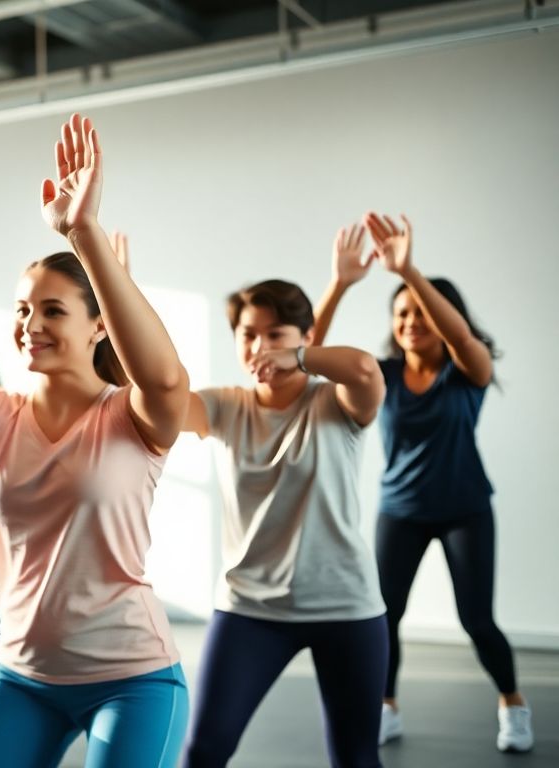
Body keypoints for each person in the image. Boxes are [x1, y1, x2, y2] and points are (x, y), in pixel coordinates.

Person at [0, 115, 189, 768]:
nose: (30, 324)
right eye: (23, 310)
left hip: (133, 678)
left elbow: (165, 373)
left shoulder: (135, 415)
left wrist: (83, 233)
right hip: (20, 676)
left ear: (98, 328)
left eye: (52, 310)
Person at [311, 213, 532, 753]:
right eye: (402, 311)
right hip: (401, 511)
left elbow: (460, 333)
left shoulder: (468, 372)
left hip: (465, 510)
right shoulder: (381, 374)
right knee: (386, 616)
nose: (411, 319)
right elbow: (307, 354)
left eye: (421, 311)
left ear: (442, 316)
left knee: (477, 620)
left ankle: (513, 704)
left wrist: (408, 271)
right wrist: (339, 283)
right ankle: (385, 706)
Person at [181, 277, 387, 768]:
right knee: (203, 751)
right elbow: (156, 395)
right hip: (251, 608)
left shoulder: (335, 403)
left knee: (356, 759)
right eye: (249, 334)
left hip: (346, 607)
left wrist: (296, 358)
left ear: (304, 338)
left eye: (276, 334)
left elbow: (363, 368)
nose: (260, 347)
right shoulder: (224, 405)